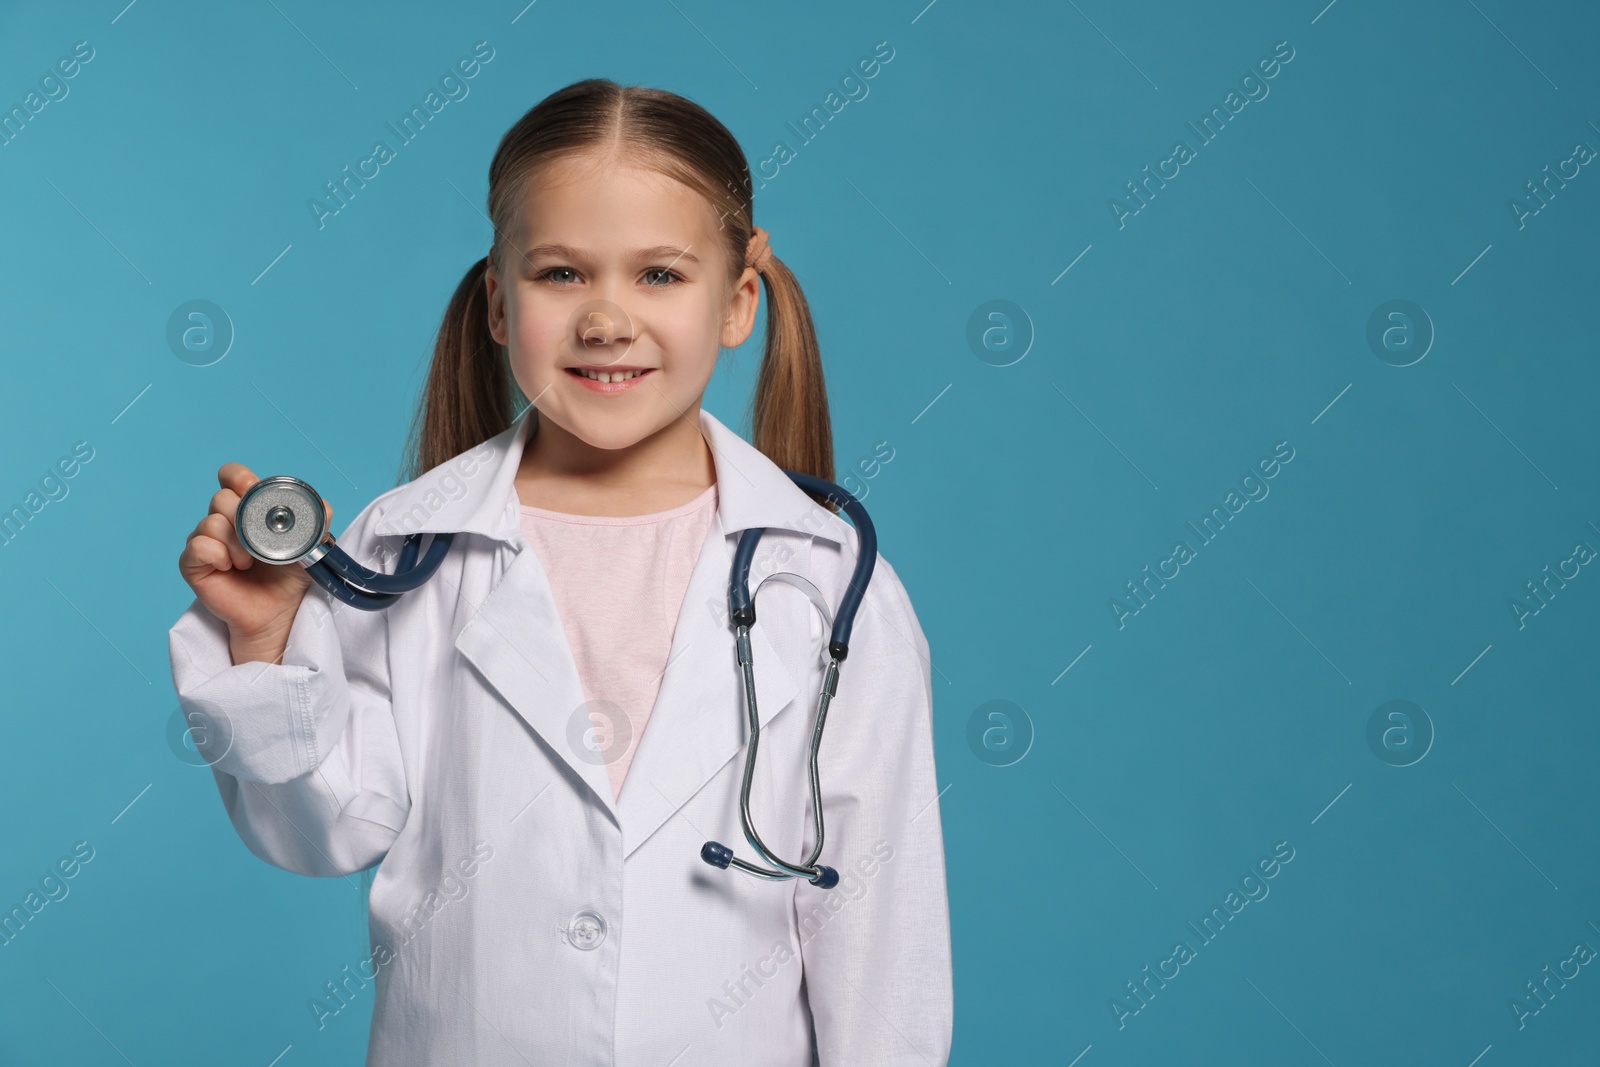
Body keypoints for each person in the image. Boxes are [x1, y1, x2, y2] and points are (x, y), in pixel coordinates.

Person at [168, 77, 952, 1066]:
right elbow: (319, 832)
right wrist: (267, 643)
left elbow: (880, 939)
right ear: (499, 302)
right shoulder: (401, 554)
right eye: (561, 274)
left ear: (738, 301)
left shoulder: (829, 586)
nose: (607, 320)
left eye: (660, 275)